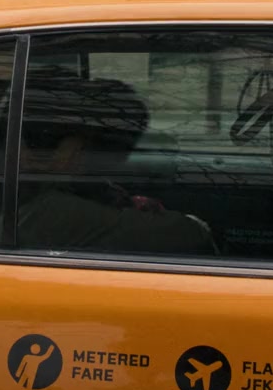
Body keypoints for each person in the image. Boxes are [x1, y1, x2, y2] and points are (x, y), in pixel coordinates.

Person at [16, 74, 215, 255]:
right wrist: (193, 223)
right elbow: (189, 234)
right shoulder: (53, 210)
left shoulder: (41, 193)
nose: (119, 155)